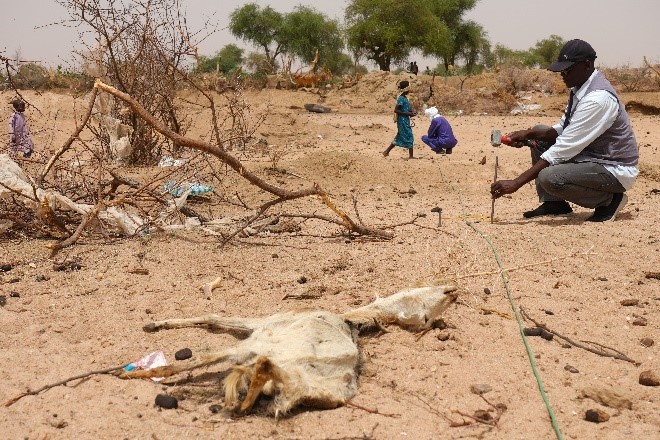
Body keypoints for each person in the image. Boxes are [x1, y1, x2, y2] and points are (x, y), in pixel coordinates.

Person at [490, 39, 638, 222]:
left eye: (567, 70)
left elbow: (563, 148)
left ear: (587, 65)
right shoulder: (579, 88)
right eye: (561, 70)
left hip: (613, 168)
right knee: (539, 131)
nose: (562, 75)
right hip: (591, 157)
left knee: (550, 177)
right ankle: (554, 203)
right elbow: (563, 129)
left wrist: (516, 182)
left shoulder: (598, 99)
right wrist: (528, 135)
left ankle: (610, 200)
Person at [383, 80, 417, 159]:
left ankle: (386, 152)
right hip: (402, 121)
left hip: (405, 120)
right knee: (409, 136)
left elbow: (406, 109)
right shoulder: (401, 98)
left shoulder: (405, 98)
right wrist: (408, 114)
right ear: (406, 89)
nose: (409, 90)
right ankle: (411, 156)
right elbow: (396, 110)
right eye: (409, 88)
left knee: (400, 136)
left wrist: (412, 113)